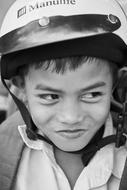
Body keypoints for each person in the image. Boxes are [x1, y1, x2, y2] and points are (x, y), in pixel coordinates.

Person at [0, 0, 127, 189]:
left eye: (92, 94)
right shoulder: (3, 151)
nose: (71, 118)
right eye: (50, 97)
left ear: (116, 83)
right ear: (21, 88)